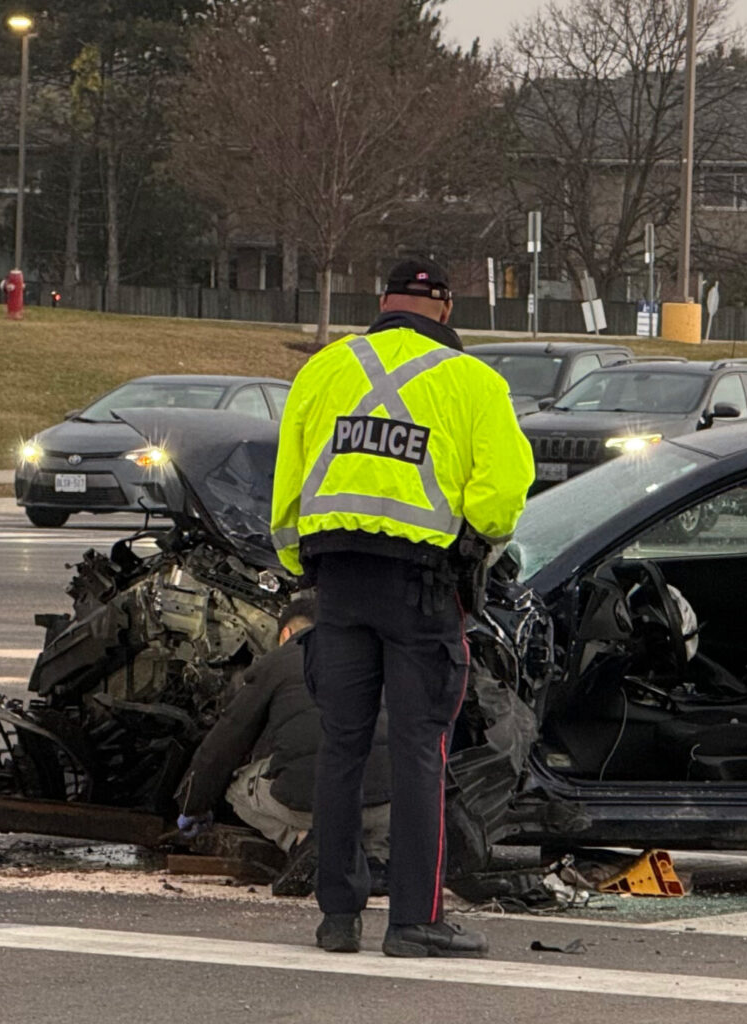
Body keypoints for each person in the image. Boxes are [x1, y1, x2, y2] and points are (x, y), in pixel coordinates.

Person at [271, 257, 533, 958]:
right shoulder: (474, 381)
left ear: (379, 301)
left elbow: (289, 485)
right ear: (445, 310)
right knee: (420, 749)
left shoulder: (324, 370)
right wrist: (475, 548)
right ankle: (414, 919)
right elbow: (505, 490)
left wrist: (303, 568)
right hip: (421, 589)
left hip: (338, 586)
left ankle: (337, 916)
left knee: (343, 747)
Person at [172, 596, 392, 899]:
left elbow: (224, 745)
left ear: (286, 634)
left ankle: (303, 841)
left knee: (239, 786)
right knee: (377, 770)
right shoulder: (373, 657)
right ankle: (376, 862)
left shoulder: (277, 662)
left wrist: (192, 805)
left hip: (311, 807)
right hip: (388, 804)